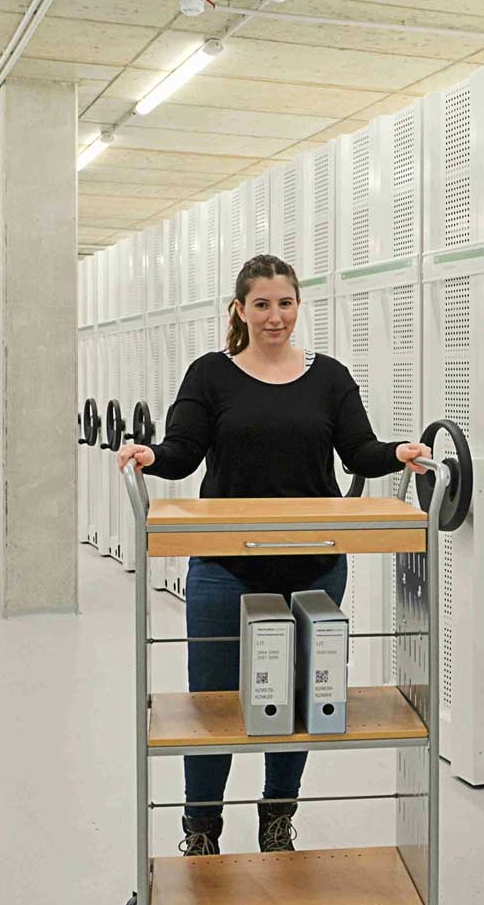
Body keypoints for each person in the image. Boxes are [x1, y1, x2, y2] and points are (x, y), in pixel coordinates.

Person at [117, 253, 428, 857]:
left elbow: (358, 452)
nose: (274, 315)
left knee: (299, 701)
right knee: (213, 709)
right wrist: (150, 455)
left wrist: (400, 451)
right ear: (240, 310)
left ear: (298, 306)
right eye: (261, 304)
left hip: (314, 564)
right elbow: (183, 452)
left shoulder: (330, 378)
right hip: (224, 567)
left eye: (284, 302)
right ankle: (201, 830)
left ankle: (277, 817)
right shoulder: (210, 374)